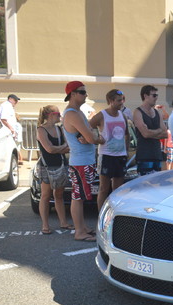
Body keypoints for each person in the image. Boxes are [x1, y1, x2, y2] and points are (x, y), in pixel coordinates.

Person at [62, 81, 105, 242]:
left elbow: (89, 135)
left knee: (80, 196)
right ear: (72, 94)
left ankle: (82, 227)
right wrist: (99, 138)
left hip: (83, 160)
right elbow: (91, 137)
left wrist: (93, 137)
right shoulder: (72, 114)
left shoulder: (77, 112)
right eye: (82, 92)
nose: (85, 95)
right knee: (78, 197)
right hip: (80, 161)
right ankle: (79, 231)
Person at [89, 89, 129, 211]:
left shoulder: (123, 115)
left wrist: (126, 151)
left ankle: (115, 213)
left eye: (122, 100)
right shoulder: (102, 115)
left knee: (118, 189)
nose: (121, 102)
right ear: (111, 101)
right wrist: (96, 139)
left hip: (120, 156)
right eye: (118, 100)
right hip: (106, 155)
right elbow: (87, 127)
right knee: (103, 188)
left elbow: (127, 134)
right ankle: (101, 214)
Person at [36, 105, 72, 234]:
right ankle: (45, 225)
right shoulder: (41, 130)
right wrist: (61, 148)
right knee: (46, 196)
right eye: (58, 114)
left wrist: (58, 148)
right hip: (47, 166)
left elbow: (68, 147)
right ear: (51, 114)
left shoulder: (59, 129)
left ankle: (63, 222)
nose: (60, 116)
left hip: (60, 164)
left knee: (59, 195)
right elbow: (49, 149)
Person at [133, 85, 168, 175]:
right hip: (144, 156)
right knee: (144, 186)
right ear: (145, 96)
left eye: (157, 95)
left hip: (157, 155)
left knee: (156, 185)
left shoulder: (157, 113)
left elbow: (165, 134)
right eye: (154, 95)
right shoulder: (138, 112)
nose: (156, 98)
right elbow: (145, 134)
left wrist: (151, 132)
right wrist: (158, 130)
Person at [0, 94, 23, 164]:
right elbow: (3, 119)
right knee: (8, 149)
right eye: (15, 100)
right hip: (7, 132)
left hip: (10, 132)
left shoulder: (9, 106)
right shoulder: (6, 106)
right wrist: (11, 129)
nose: (16, 102)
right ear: (10, 99)